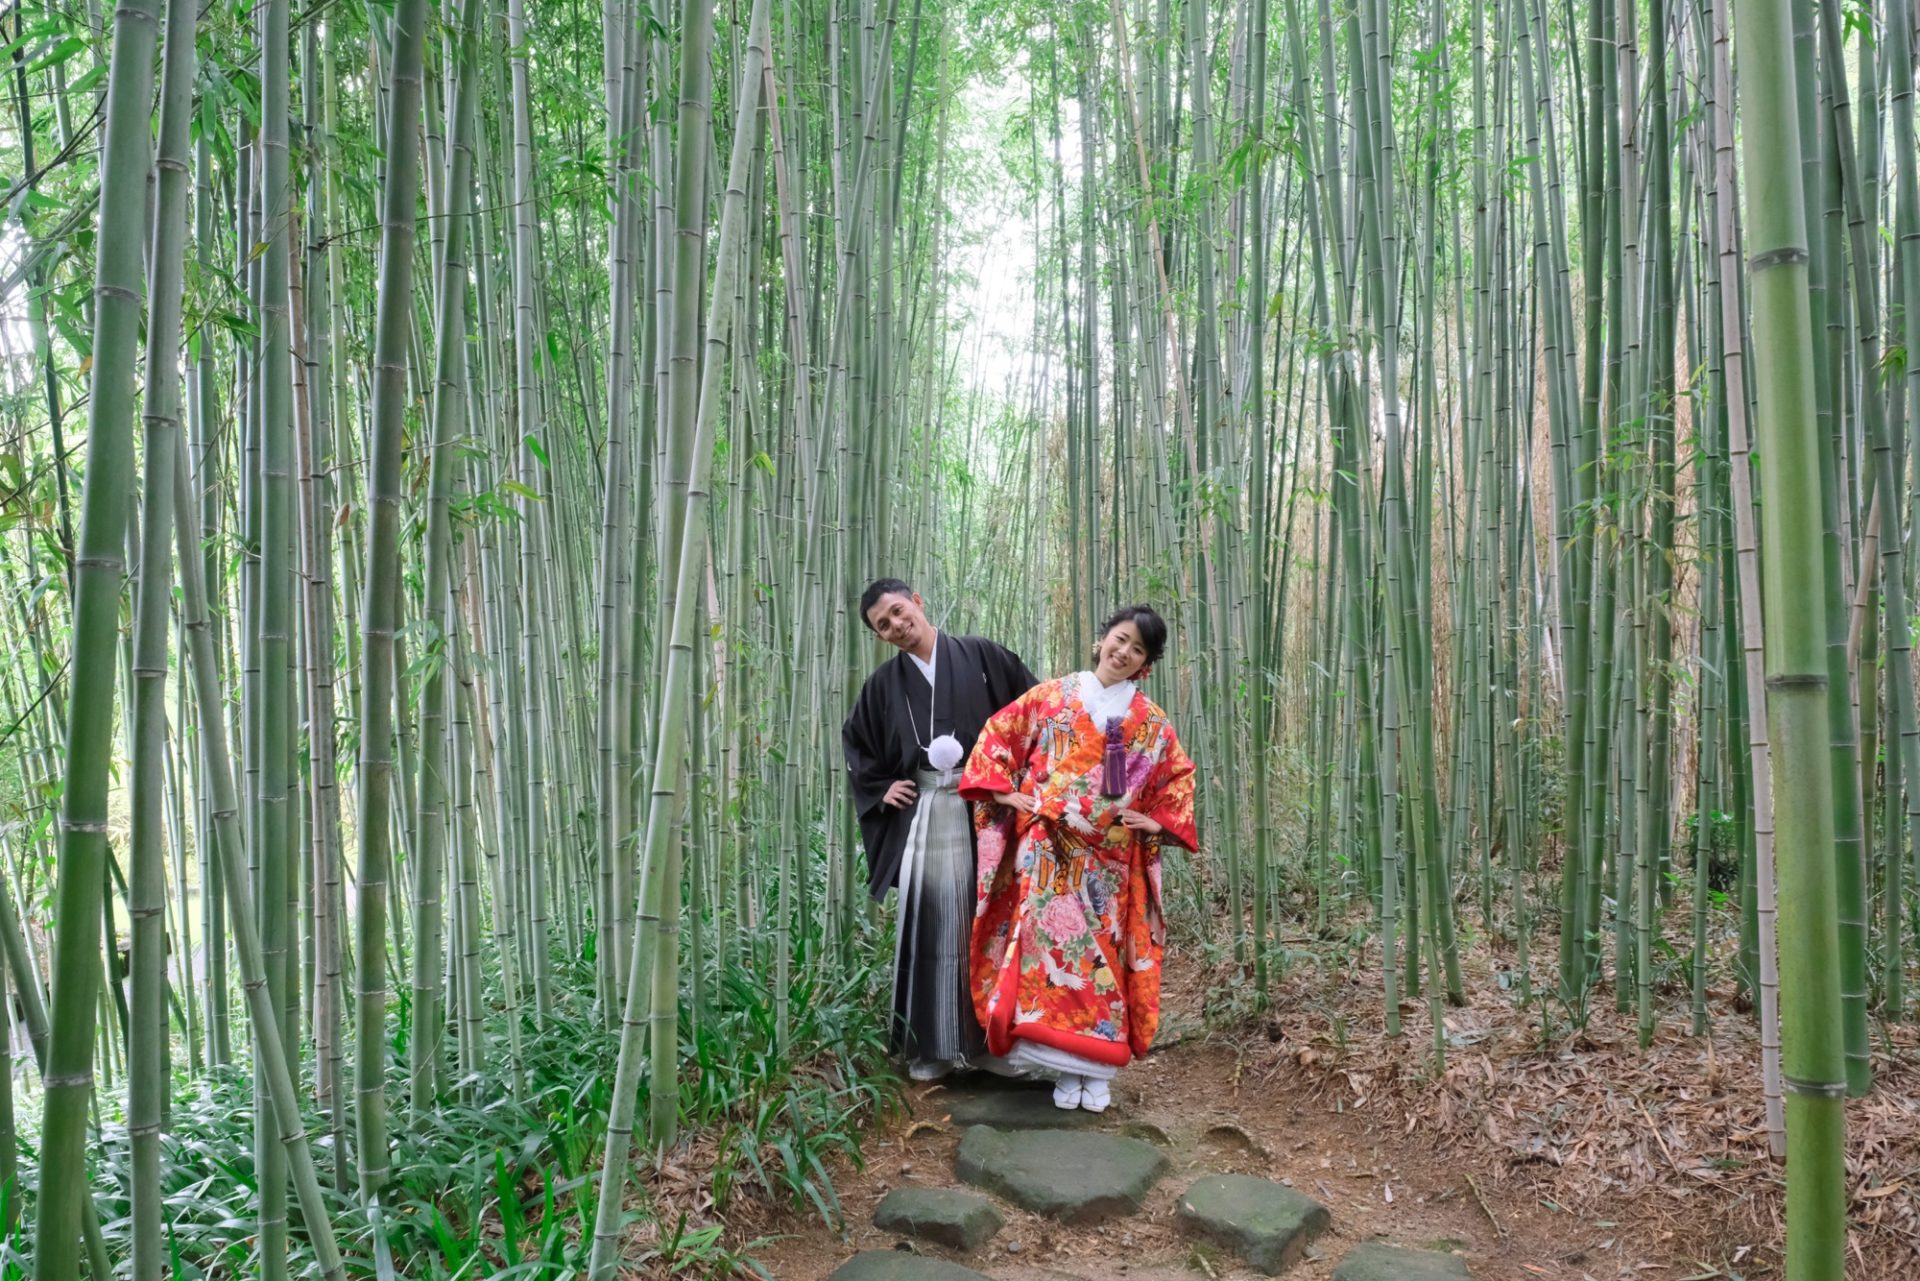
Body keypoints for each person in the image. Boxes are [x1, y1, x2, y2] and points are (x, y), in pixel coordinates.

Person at [958, 604, 1197, 1112]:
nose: (1124, 652)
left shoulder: (1151, 722)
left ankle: (1097, 1068)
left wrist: (1156, 822)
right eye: (1120, 638)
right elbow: (998, 737)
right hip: (1047, 848)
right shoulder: (1052, 696)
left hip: (1109, 859)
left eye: (1138, 648)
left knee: (1102, 955)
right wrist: (1005, 795)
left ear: (1145, 664)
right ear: (1102, 638)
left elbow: (1176, 778)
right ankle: (1058, 1066)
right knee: (1047, 951)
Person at [843, 579, 1039, 1080]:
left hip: (987, 809)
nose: (895, 626)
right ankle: (931, 1048)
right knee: (931, 925)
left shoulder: (980, 655)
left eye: (897, 611)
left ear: (917, 601)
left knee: (990, 921)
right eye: (882, 626)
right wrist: (881, 787)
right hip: (928, 811)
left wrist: (1020, 780)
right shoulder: (883, 686)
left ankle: (994, 1046)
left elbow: (1034, 712)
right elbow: (858, 746)